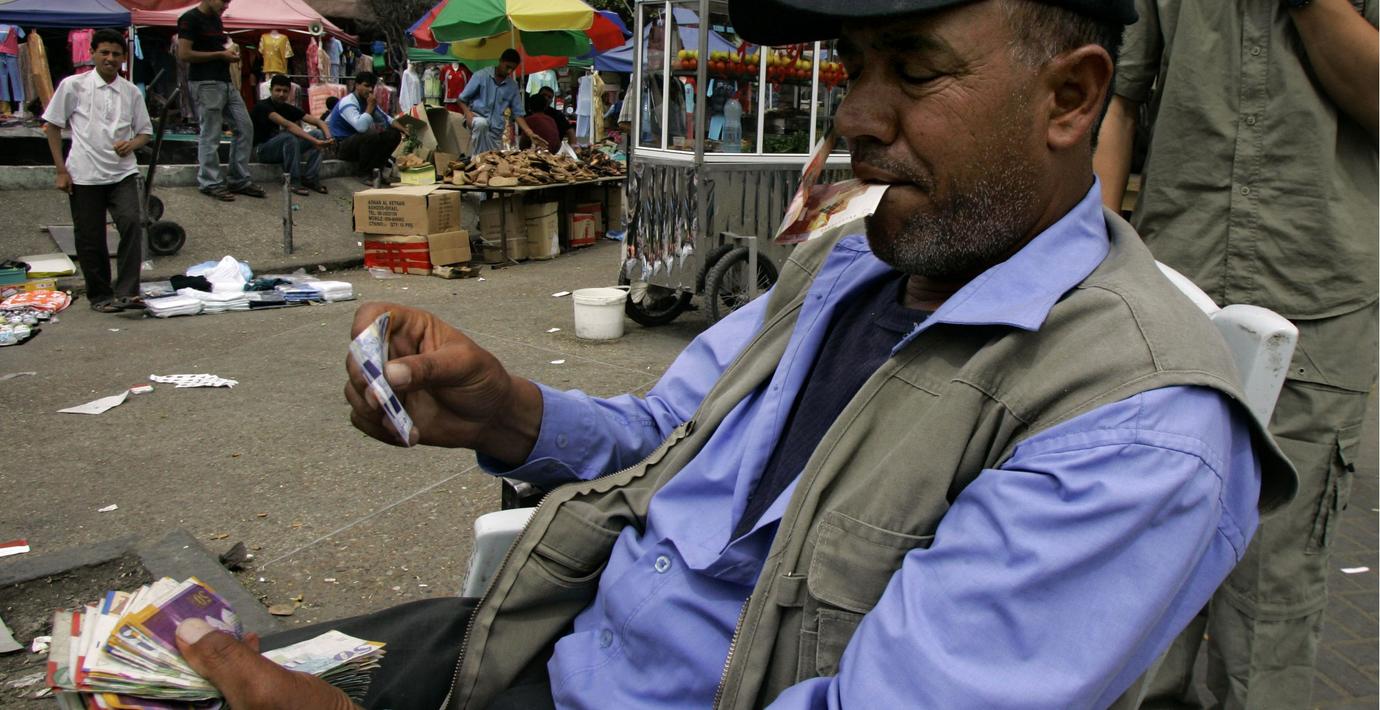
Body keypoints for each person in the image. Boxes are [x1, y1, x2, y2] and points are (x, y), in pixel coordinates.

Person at [169, 1, 1299, 708]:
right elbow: (677, 436)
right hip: (543, 651)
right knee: (168, 673)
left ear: (1071, 98)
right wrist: (506, 410)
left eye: (914, 71)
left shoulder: (1136, 427)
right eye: (852, 63)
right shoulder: (848, 265)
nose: (854, 117)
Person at [1092, 1, 1378, 708]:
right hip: (1173, 292)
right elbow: (1117, 101)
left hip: (1316, 300)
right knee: (1147, 573)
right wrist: (1091, 268)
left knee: (1269, 602)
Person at [41, 29, 153, 314]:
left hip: (123, 173)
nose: (110, 58)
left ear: (123, 57)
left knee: (132, 223)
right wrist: (61, 170)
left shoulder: (131, 92)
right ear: (92, 53)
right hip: (84, 173)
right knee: (90, 237)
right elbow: (52, 126)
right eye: (104, 52)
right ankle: (100, 295)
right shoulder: (73, 86)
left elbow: (145, 132)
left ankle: (127, 292)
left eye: (116, 54)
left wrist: (131, 144)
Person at [178, 0, 264, 202]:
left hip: (225, 81)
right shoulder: (189, 19)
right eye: (223, 1)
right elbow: (184, 54)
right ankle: (210, 182)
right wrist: (220, 54)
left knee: (245, 127)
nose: (226, 5)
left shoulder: (216, 19)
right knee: (211, 133)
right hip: (205, 82)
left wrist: (227, 54)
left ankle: (239, 179)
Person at [252, 74, 334, 195]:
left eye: (285, 91)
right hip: (261, 150)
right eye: (278, 90)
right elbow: (289, 125)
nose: (281, 94)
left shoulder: (288, 108)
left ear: (289, 92)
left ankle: (310, 177)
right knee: (289, 137)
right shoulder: (262, 106)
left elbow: (319, 122)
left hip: (282, 149)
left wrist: (329, 138)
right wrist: (315, 142)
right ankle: (294, 182)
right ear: (271, 90)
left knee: (318, 133)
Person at [456, 48, 548, 154]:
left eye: (512, 69)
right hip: (477, 122)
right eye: (507, 67)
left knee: (493, 160)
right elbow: (461, 99)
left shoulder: (512, 86)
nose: (509, 71)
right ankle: (478, 159)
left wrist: (530, 133)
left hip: (496, 131)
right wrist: (468, 114)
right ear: (500, 61)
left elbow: (518, 114)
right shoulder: (481, 76)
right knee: (481, 125)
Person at [327, 71, 403, 184]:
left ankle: (377, 171)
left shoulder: (366, 101)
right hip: (342, 146)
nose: (370, 90)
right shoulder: (348, 102)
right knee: (370, 133)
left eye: (372, 86)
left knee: (393, 134)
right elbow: (361, 127)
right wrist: (370, 106)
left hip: (358, 143)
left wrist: (404, 130)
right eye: (366, 86)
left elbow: (386, 119)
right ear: (357, 85)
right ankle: (364, 173)